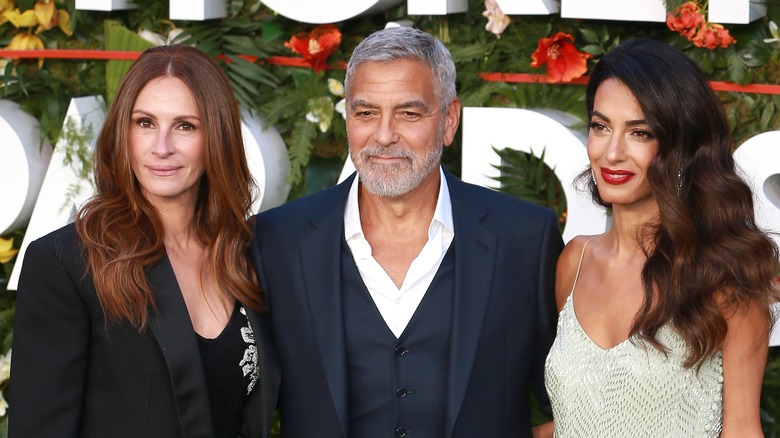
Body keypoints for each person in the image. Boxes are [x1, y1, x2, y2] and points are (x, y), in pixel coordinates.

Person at [251, 26, 564, 438]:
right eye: (365, 113)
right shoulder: (277, 241)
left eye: (408, 113)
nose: (383, 135)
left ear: (449, 120)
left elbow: (567, 405)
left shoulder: (525, 240)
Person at [10, 45, 279, 438]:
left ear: (216, 136)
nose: (162, 146)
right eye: (145, 123)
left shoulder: (245, 255)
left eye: (186, 125)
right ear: (123, 131)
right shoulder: (66, 264)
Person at [543, 38, 780, 437]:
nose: (612, 152)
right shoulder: (575, 261)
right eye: (601, 127)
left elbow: (742, 430)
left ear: (681, 147)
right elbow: (577, 419)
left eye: (640, 133)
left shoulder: (722, 281)